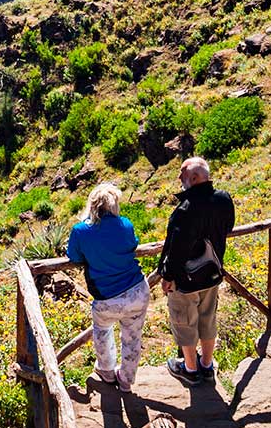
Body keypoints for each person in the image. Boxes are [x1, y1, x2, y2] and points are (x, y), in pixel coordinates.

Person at [66, 183, 159, 393]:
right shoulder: (125, 224)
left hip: (107, 298)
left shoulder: (80, 231)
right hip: (137, 290)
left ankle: (107, 372)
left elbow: (73, 256)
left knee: (102, 331)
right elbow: (133, 244)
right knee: (133, 337)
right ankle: (126, 380)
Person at [152, 157, 235, 385]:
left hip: (186, 280)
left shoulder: (186, 210)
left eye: (182, 173)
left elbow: (177, 250)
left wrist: (167, 276)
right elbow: (228, 227)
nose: (179, 177)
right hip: (212, 273)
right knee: (208, 319)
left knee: (184, 322)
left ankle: (189, 369)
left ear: (195, 178)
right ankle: (207, 366)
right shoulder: (223, 199)